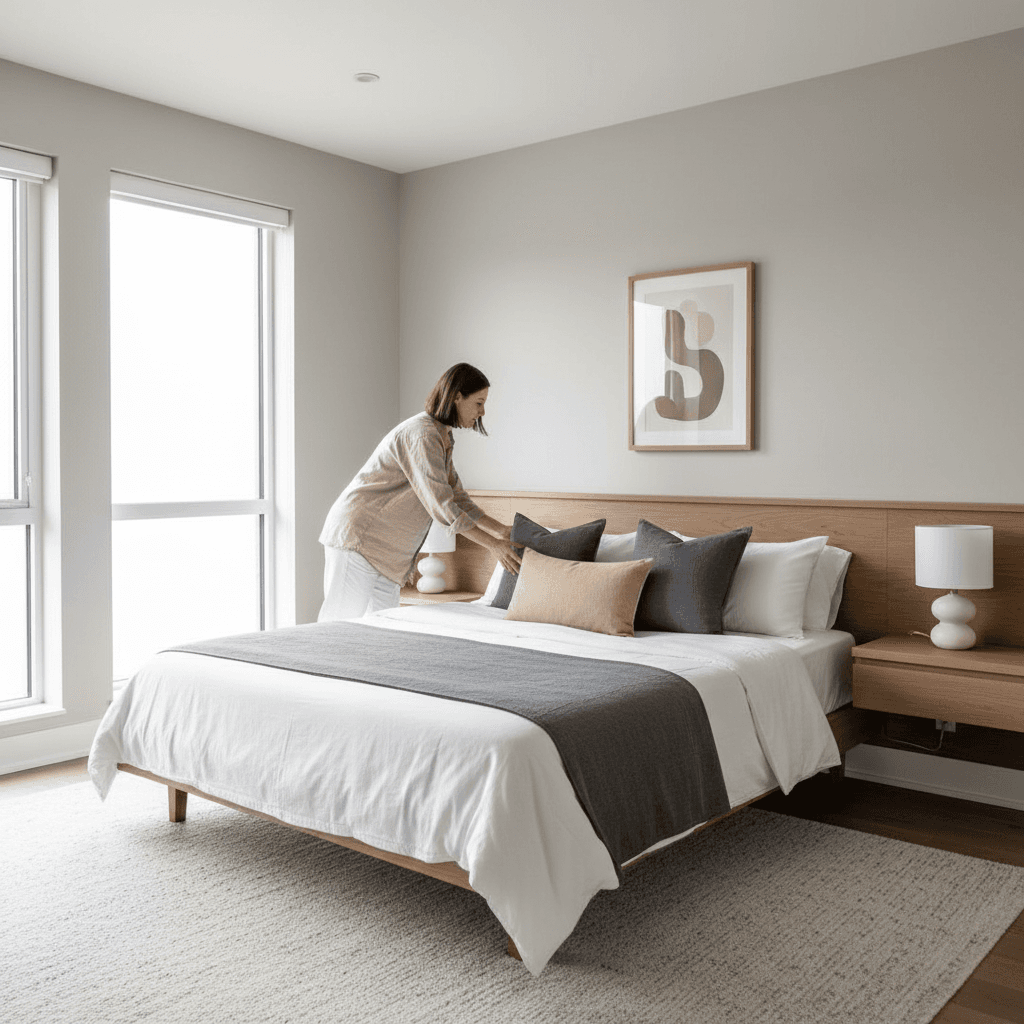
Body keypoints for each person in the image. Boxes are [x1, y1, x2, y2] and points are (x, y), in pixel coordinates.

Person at [317, 363, 522, 621]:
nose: (482, 412)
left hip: (388, 557)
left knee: (384, 637)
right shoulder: (422, 435)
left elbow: (458, 497)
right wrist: (494, 545)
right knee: (339, 627)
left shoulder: (442, 436)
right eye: (479, 402)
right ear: (457, 397)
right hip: (360, 539)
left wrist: (501, 531)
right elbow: (443, 506)